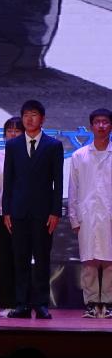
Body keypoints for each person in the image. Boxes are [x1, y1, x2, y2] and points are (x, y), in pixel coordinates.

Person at [3, 99, 64, 320]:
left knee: (42, 259)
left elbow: (58, 182)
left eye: (34, 114)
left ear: (42, 119)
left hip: (43, 213)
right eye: (26, 115)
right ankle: (22, 304)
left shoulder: (53, 145)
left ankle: (41, 304)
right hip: (18, 212)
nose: (29, 119)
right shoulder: (13, 145)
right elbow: (8, 180)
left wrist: (55, 212)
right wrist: (6, 211)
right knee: (20, 259)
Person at [68, 108, 112, 318]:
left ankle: (109, 303)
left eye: (105, 122)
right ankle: (92, 302)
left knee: (110, 261)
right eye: (97, 122)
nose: (101, 125)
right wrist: (74, 219)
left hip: (109, 214)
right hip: (87, 215)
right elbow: (73, 189)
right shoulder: (80, 156)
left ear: (110, 126)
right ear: (91, 126)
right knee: (89, 261)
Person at [0, 116, 24, 317]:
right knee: (5, 259)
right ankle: (8, 302)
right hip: (1, 213)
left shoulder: (29, 155)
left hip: (23, 215)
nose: (13, 134)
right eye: (10, 131)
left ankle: (23, 302)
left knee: (22, 259)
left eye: (17, 131)